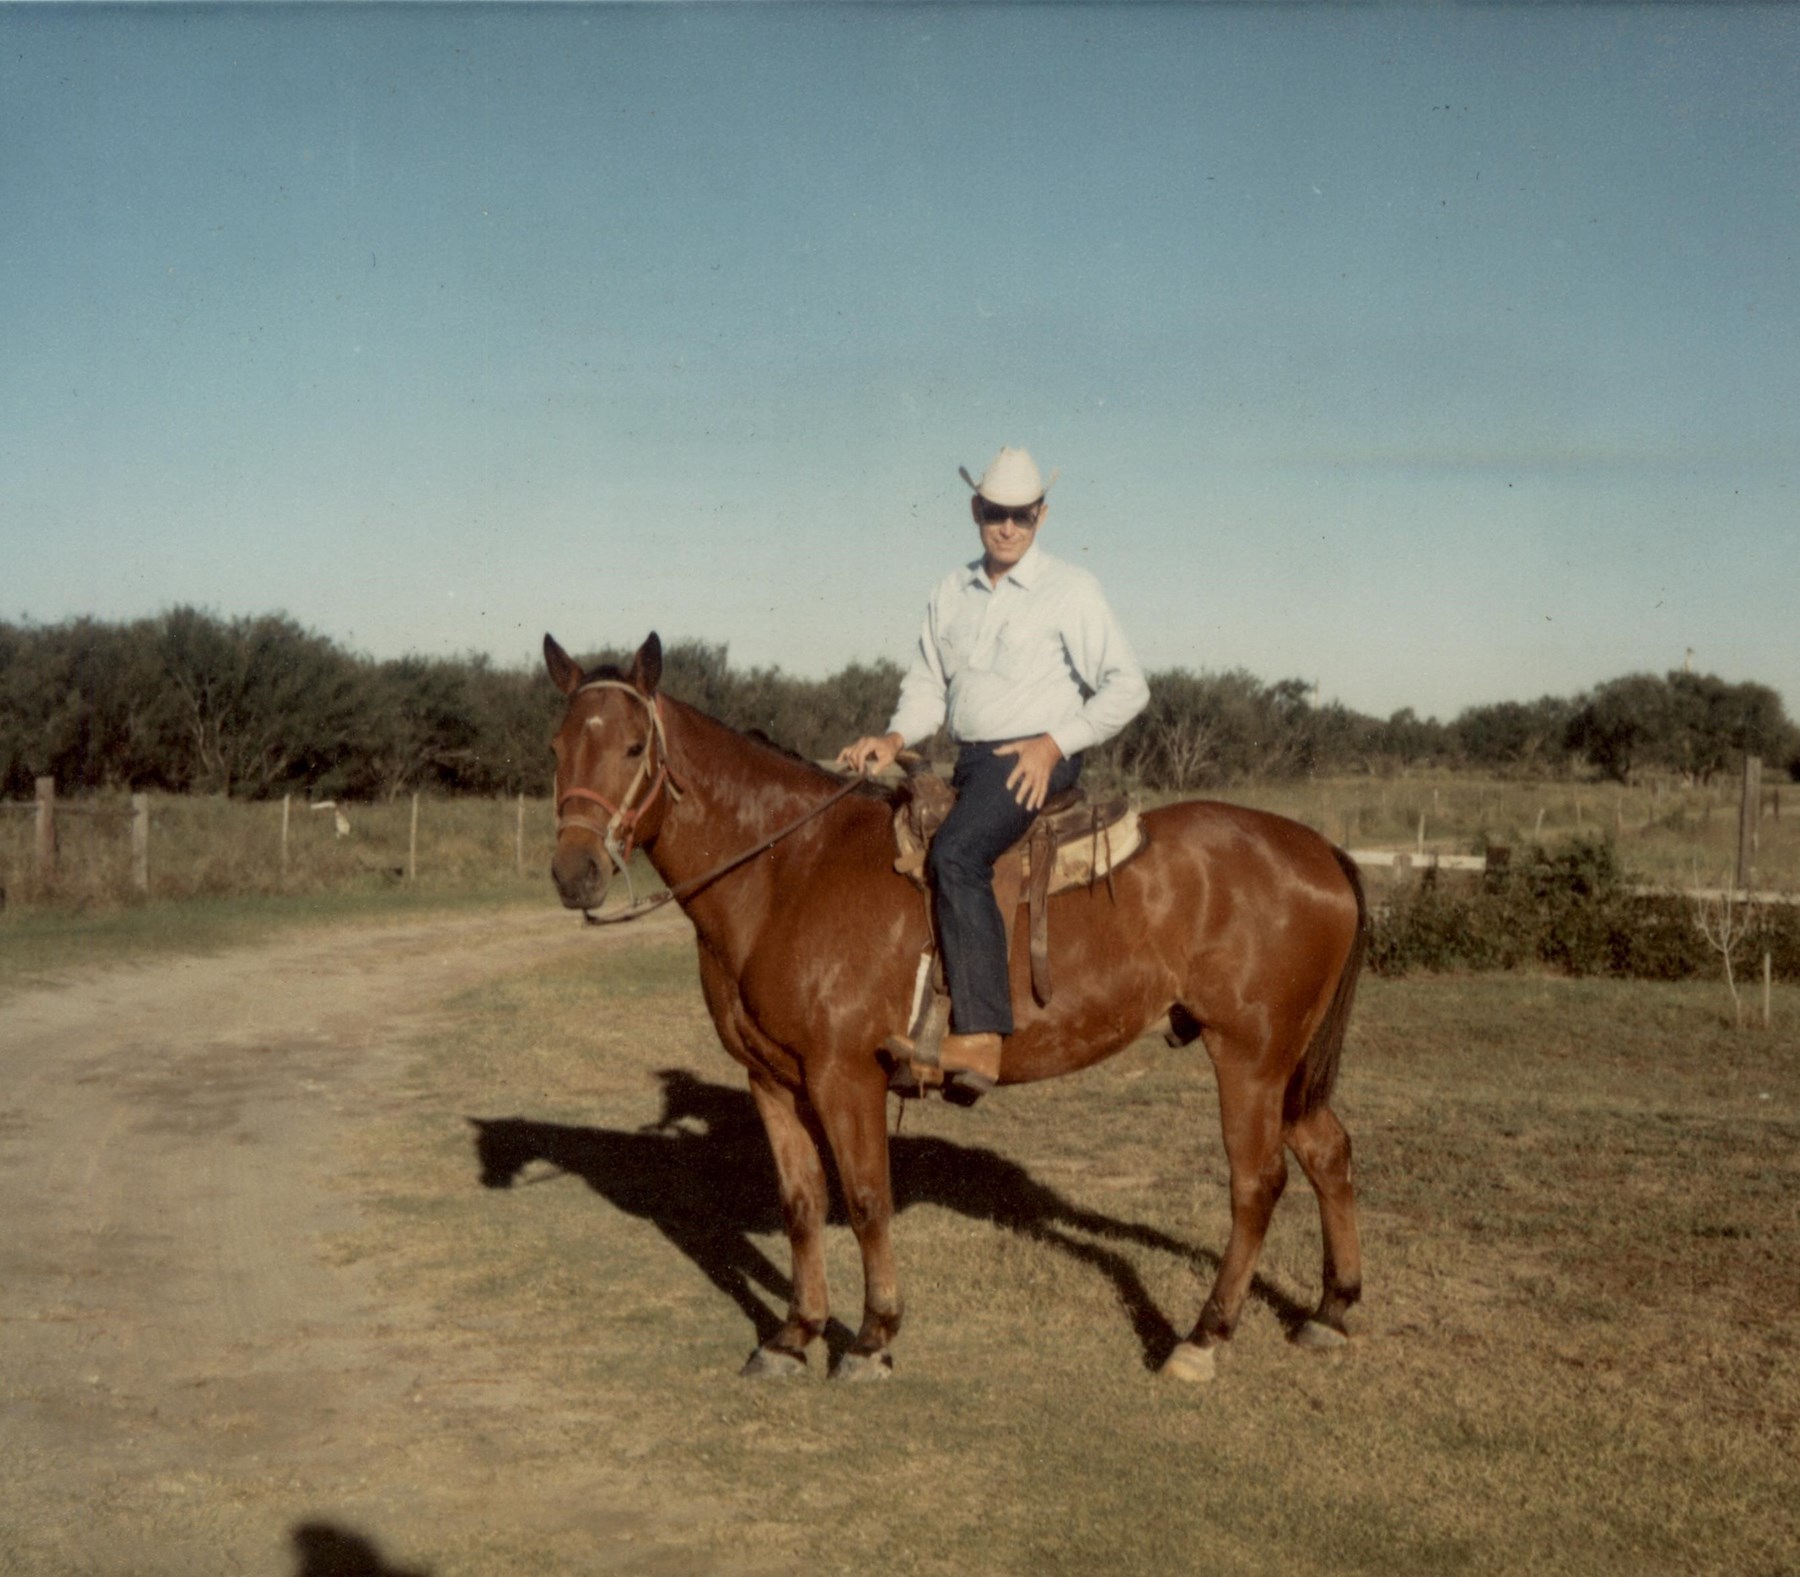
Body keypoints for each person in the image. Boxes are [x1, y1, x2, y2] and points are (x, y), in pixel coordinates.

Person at [838, 447, 1149, 1096]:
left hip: (1034, 759)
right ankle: (923, 1020)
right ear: (975, 509)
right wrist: (895, 736)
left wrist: (1053, 744)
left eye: (1022, 516)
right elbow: (928, 686)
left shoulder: (1071, 590)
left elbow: (1127, 686)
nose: (1008, 527)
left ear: (1041, 514)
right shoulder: (949, 591)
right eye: (995, 513)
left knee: (956, 853)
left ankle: (978, 1039)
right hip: (974, 762)